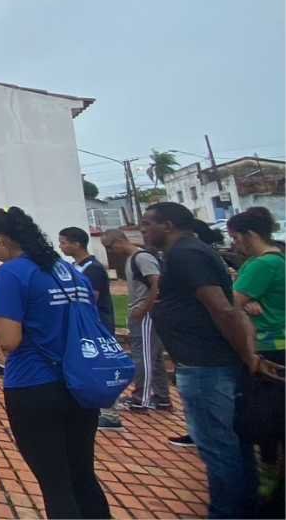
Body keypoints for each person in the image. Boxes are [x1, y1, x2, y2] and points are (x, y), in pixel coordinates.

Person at [0, 206, 111, 519]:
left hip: (34, 384)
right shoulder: (68, 271)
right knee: (82, 475)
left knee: (55, 484)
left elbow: (9, 340)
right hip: (79, 382)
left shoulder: (12, 272)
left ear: (0, 240)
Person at [141, 201, 263, 518]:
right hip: (204, 363)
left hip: (207, 366)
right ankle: (245, 505)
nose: (143, 230)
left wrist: (245, 353)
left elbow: (222, 308)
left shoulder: (187, 254)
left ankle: (228, 511)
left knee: (217, 445)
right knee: (230, 442)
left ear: (167, 225)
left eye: (147, 224)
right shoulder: (186, 252)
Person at [227, 207, 285, 506]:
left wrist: (241, 304)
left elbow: (229, 303)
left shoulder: (260, 264)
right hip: (278, 345)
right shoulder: (279, 259)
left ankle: (266, 490)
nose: (235, 243)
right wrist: (246, 303)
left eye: (236, 237)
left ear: (250, 235)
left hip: (266, 350)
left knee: (263, 421)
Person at [58, 226, 122, 432]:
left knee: (100, 367)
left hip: (96, 324)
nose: (61, 246)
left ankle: (111, 414)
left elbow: (90, 298)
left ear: (77, 243)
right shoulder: (73, 267)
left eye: (64, 242)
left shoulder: (92, 268)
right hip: (81, 326)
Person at [100, 228, 171, 412]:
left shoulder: (141, 257)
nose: (110, 251)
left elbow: (157, 282)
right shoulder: (133, 259)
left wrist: (145, 307)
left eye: (109, 246)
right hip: (142, 311)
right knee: (153, 358)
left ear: (118, 241)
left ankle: (141, 398)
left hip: (146, 313)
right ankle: (161, 398)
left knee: (144, 357)